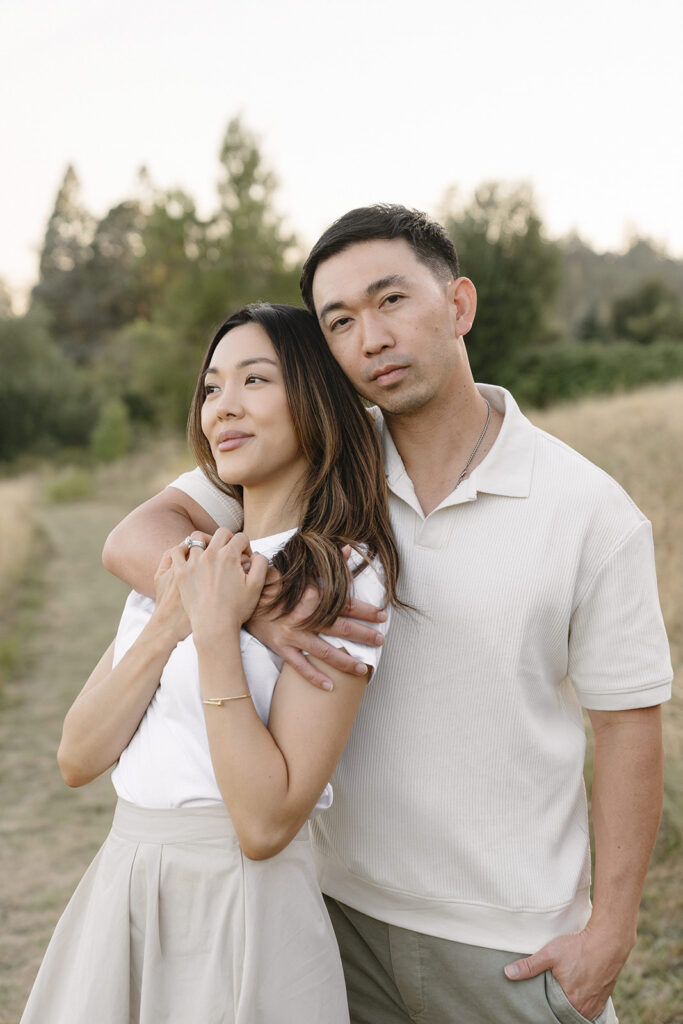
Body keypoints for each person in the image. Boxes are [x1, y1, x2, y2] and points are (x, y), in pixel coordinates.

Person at [103, 206, 673, 1024]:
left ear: (459, 306)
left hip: (506, 945)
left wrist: (610, 934)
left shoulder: (590, 512)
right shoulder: (317, 458)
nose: (369, 337)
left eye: (391, 301)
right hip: (327, 912)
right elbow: (136, 537)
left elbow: (628, 727)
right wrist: (264, 612)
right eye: (339, 321)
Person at [21, 303, 401, 1024]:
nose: (222, 408)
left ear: (314, 401)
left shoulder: (343, 577)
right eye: (210, 389)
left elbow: (263, 825)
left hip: (244, 907)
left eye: (254, 381)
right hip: (126, 884)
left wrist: (218, 632)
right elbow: (77, 755)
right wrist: (174, 614)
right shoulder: (186, 559)